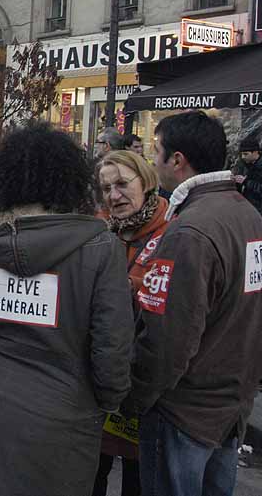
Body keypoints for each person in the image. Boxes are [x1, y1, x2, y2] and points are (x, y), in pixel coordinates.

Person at [0, 121, 134, 496]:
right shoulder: (102, 250)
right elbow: (112, 354)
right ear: (71, 181)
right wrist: (107, 402)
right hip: (63, 421)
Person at [121, 111, 262, 496]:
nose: (153, 161)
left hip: (184, 410)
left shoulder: (189, 232)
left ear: (177, 160)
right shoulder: (250, 218)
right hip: (228, 406)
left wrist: (136, 397)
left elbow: (169, 338)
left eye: (156, 152)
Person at [94, 150, 171, 496]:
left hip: (146, 390)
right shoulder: (100, 230)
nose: (114, 195)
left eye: (123, 184)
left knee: (137, 483)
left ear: (147, 181)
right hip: (102, 385)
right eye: (107, 187)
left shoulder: (173, 232)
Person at [234, 138, 262, 211]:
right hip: (243, 203)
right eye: (241, 154)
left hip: (258, 208)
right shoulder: (243, 163)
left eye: (245, 154)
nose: (243, 157)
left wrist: (246, 182)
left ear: (255, 152)